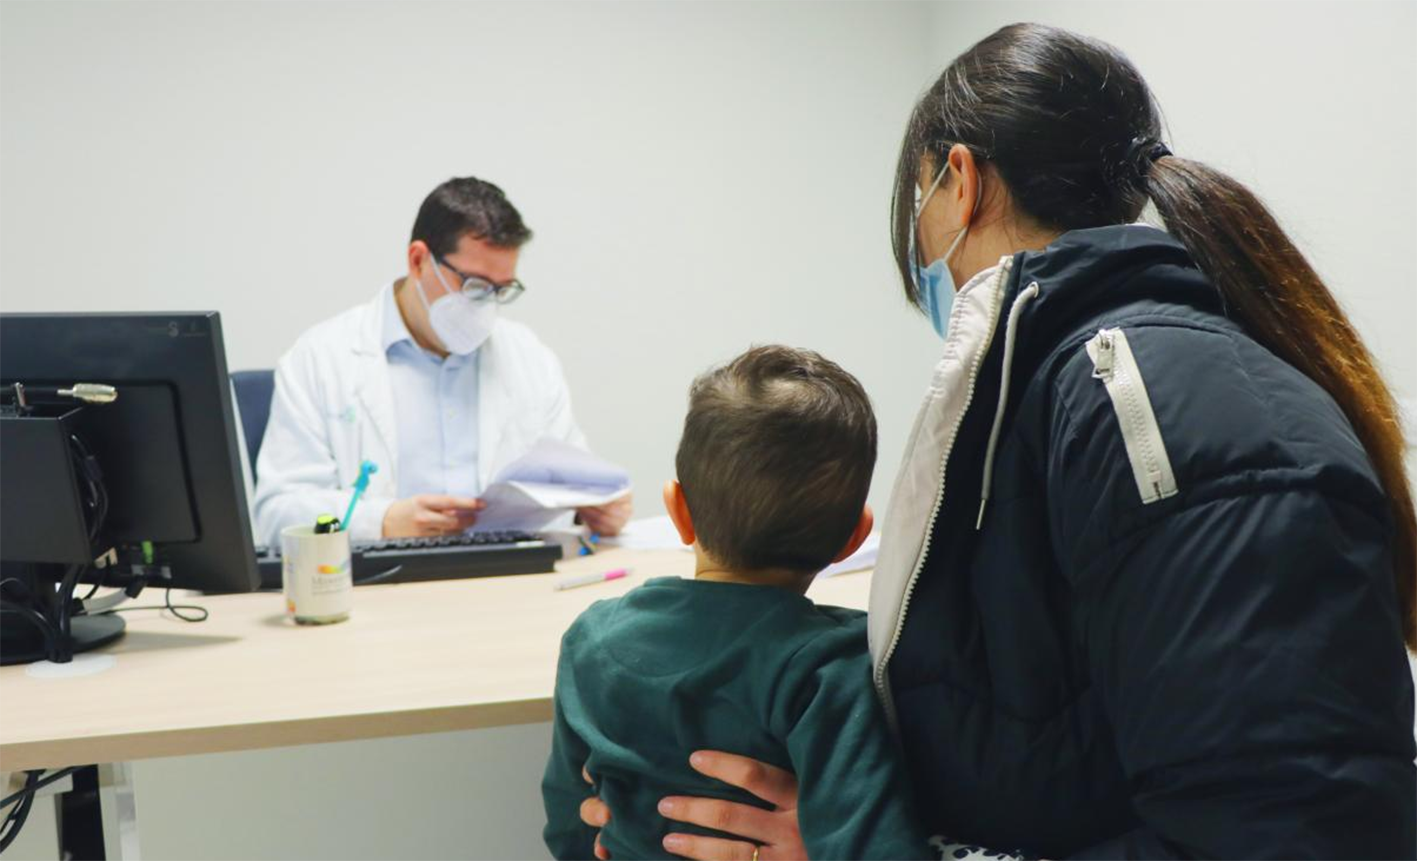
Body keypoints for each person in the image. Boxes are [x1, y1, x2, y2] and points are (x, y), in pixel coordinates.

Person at [578, 23, 1417, 860]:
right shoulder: (1049, 389)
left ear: (961, 181)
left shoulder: (1164, 411)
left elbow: (1288, 833)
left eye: (917, 202)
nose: (916, 241)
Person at [544, 345, 939, 861]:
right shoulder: (834, 668)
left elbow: (570, 826)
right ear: (854, 537)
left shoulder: (590, 639)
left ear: (678, 511)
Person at [253, 177, 632, 545]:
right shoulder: (321, 358)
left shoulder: (529, 358)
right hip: (380, 587)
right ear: (418, 261)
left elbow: (572, 482)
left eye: (500, 290)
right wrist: (382, 521)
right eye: (475, 285)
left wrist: (596, 510)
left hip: (507, 580)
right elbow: (278, 513)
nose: (486, 305)